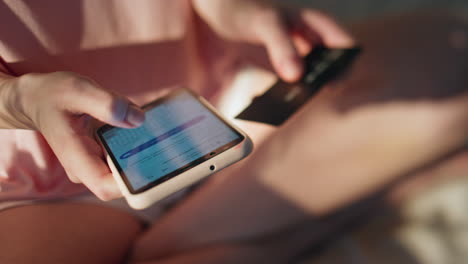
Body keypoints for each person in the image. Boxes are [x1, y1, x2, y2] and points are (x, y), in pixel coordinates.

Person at [0, 1, 467, 263]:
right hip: (51, 180)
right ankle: (308, 214)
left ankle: (175, 242)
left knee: (454, 53)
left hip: (223, 102)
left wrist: (236, 11)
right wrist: (19, 101)